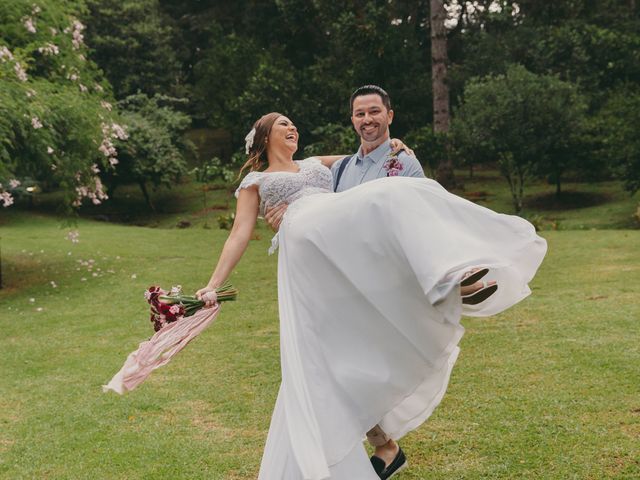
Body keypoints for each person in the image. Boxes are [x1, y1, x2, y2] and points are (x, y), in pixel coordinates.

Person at [196, 111, 546, 479]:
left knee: (396, 192)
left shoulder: (315, 163)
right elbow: (238, 235)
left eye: (295, 124)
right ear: (265, 136)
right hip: (308, 266)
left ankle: (449, 278)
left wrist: (396, 147)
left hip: (337, 243)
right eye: (284, 124)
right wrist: (213, 284)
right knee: (330, 354)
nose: (293, 128)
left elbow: (364, 157)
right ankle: (384, 443)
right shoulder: (256, 181)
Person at [262, 85, 495, 478]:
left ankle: (452, 279)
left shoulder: (404, 164)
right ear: (352, 120)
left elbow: (423, 217)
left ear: (390, 116)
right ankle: (385, 446)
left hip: (389, 280)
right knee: (339, 373)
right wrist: (285, 214)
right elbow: (305, 192)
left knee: (362, 369)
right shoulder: (337, 171)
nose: (367, 120)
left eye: (374, 112)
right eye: (359, 114)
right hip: (346, 288)